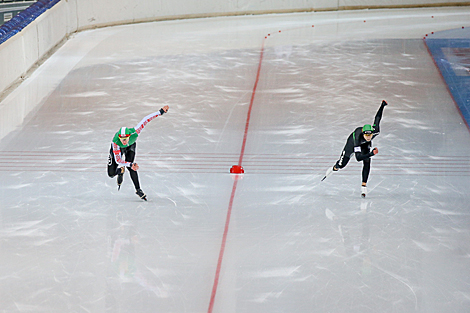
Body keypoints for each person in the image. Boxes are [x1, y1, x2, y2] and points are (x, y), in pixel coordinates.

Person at [321, 100, 387, 197]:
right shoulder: (357, 136)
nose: (369, 137)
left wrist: (382, 106)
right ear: (363, 133)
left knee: (367, 161)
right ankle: (334, 168)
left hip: (364, 145)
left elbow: (377, 118)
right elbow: (358, 158)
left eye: (370, 135)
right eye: (367, 135)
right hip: (352, 146)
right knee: (342, 165)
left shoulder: (375, 131)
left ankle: (364, 186)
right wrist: (371, 153)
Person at [107, 106, 169, 200]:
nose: (124, 141)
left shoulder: (135, 132)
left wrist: (160, 112)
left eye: (125, 139)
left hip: (131, 146)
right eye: (122, 139)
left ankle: (138, 189)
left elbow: (146, 119)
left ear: (129, 136)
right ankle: (120, 171)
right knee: (111, 174)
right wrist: (130, 163)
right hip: (119, 150)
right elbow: (118, 160)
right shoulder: (115, 143)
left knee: (132, 168)